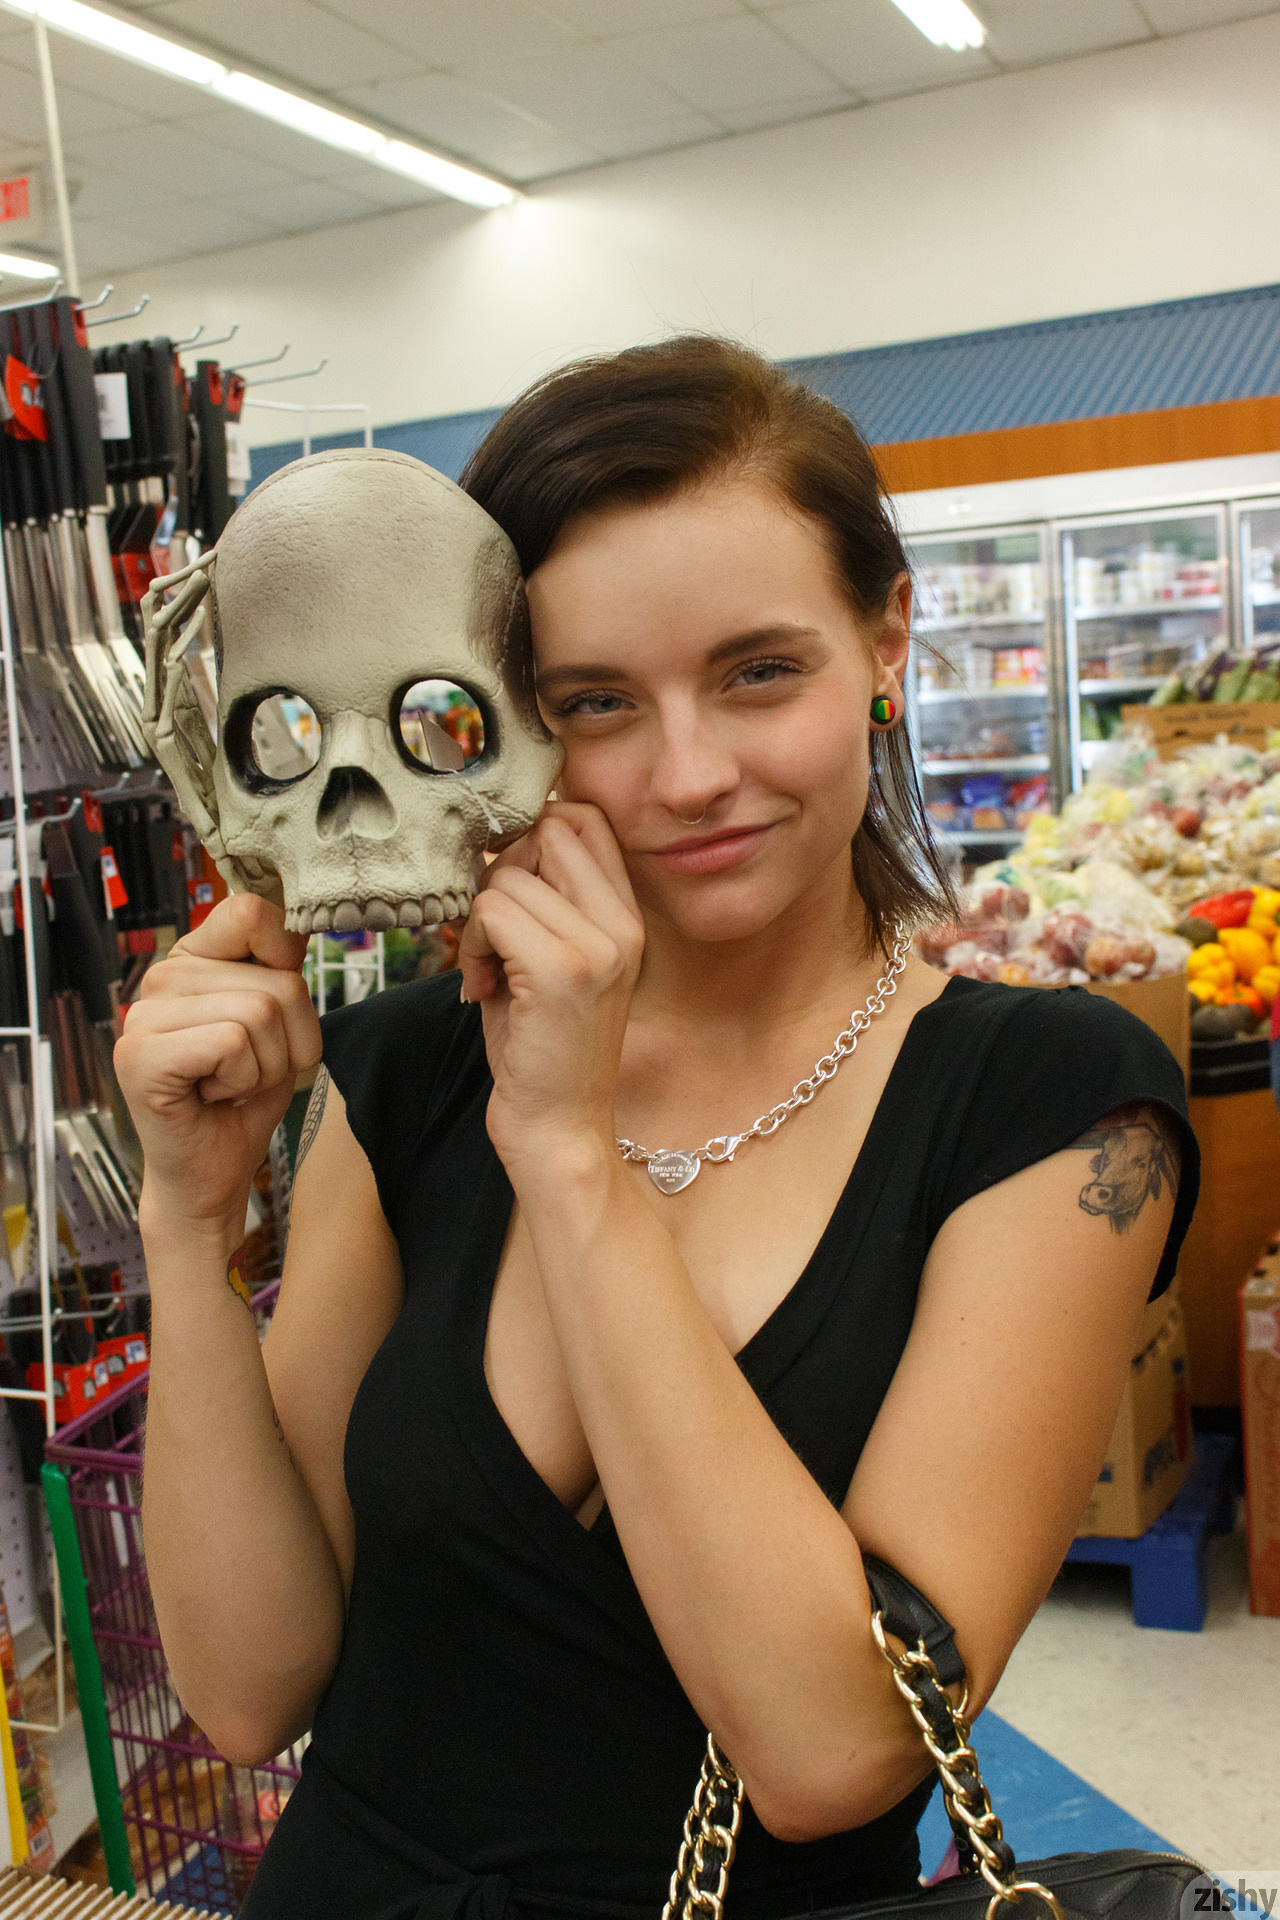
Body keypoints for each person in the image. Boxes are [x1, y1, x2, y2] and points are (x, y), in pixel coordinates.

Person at [115, 337, 1199, 1920]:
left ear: (885, 641)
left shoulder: (1053, 1107)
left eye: (760, 672)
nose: (689, 776)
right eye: (594, 702)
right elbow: (245, 1687)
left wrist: (571, 1157)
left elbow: (834, 1752)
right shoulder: (405, 1072)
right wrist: (189, 1223)